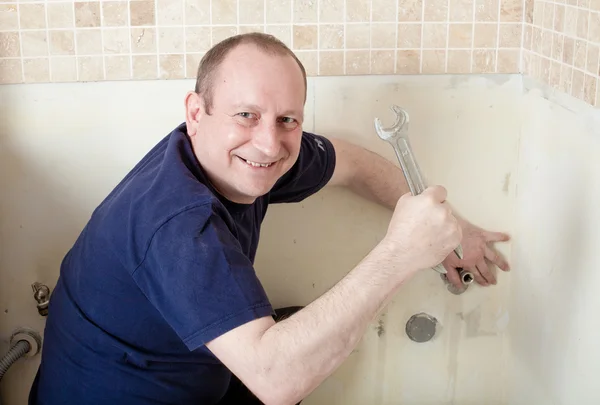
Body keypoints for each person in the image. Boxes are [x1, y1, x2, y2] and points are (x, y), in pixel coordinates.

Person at [28, 32, 510, 405]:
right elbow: (276, 380)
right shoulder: (177, 224)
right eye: (246, 114)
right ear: (197, 112)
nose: (268, 143)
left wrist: (454, 229)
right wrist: (401, 253)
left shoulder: (233, 157)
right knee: (296, 357)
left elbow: (353, 165)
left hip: (190, 379)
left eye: (288, 119)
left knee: (302, 328)